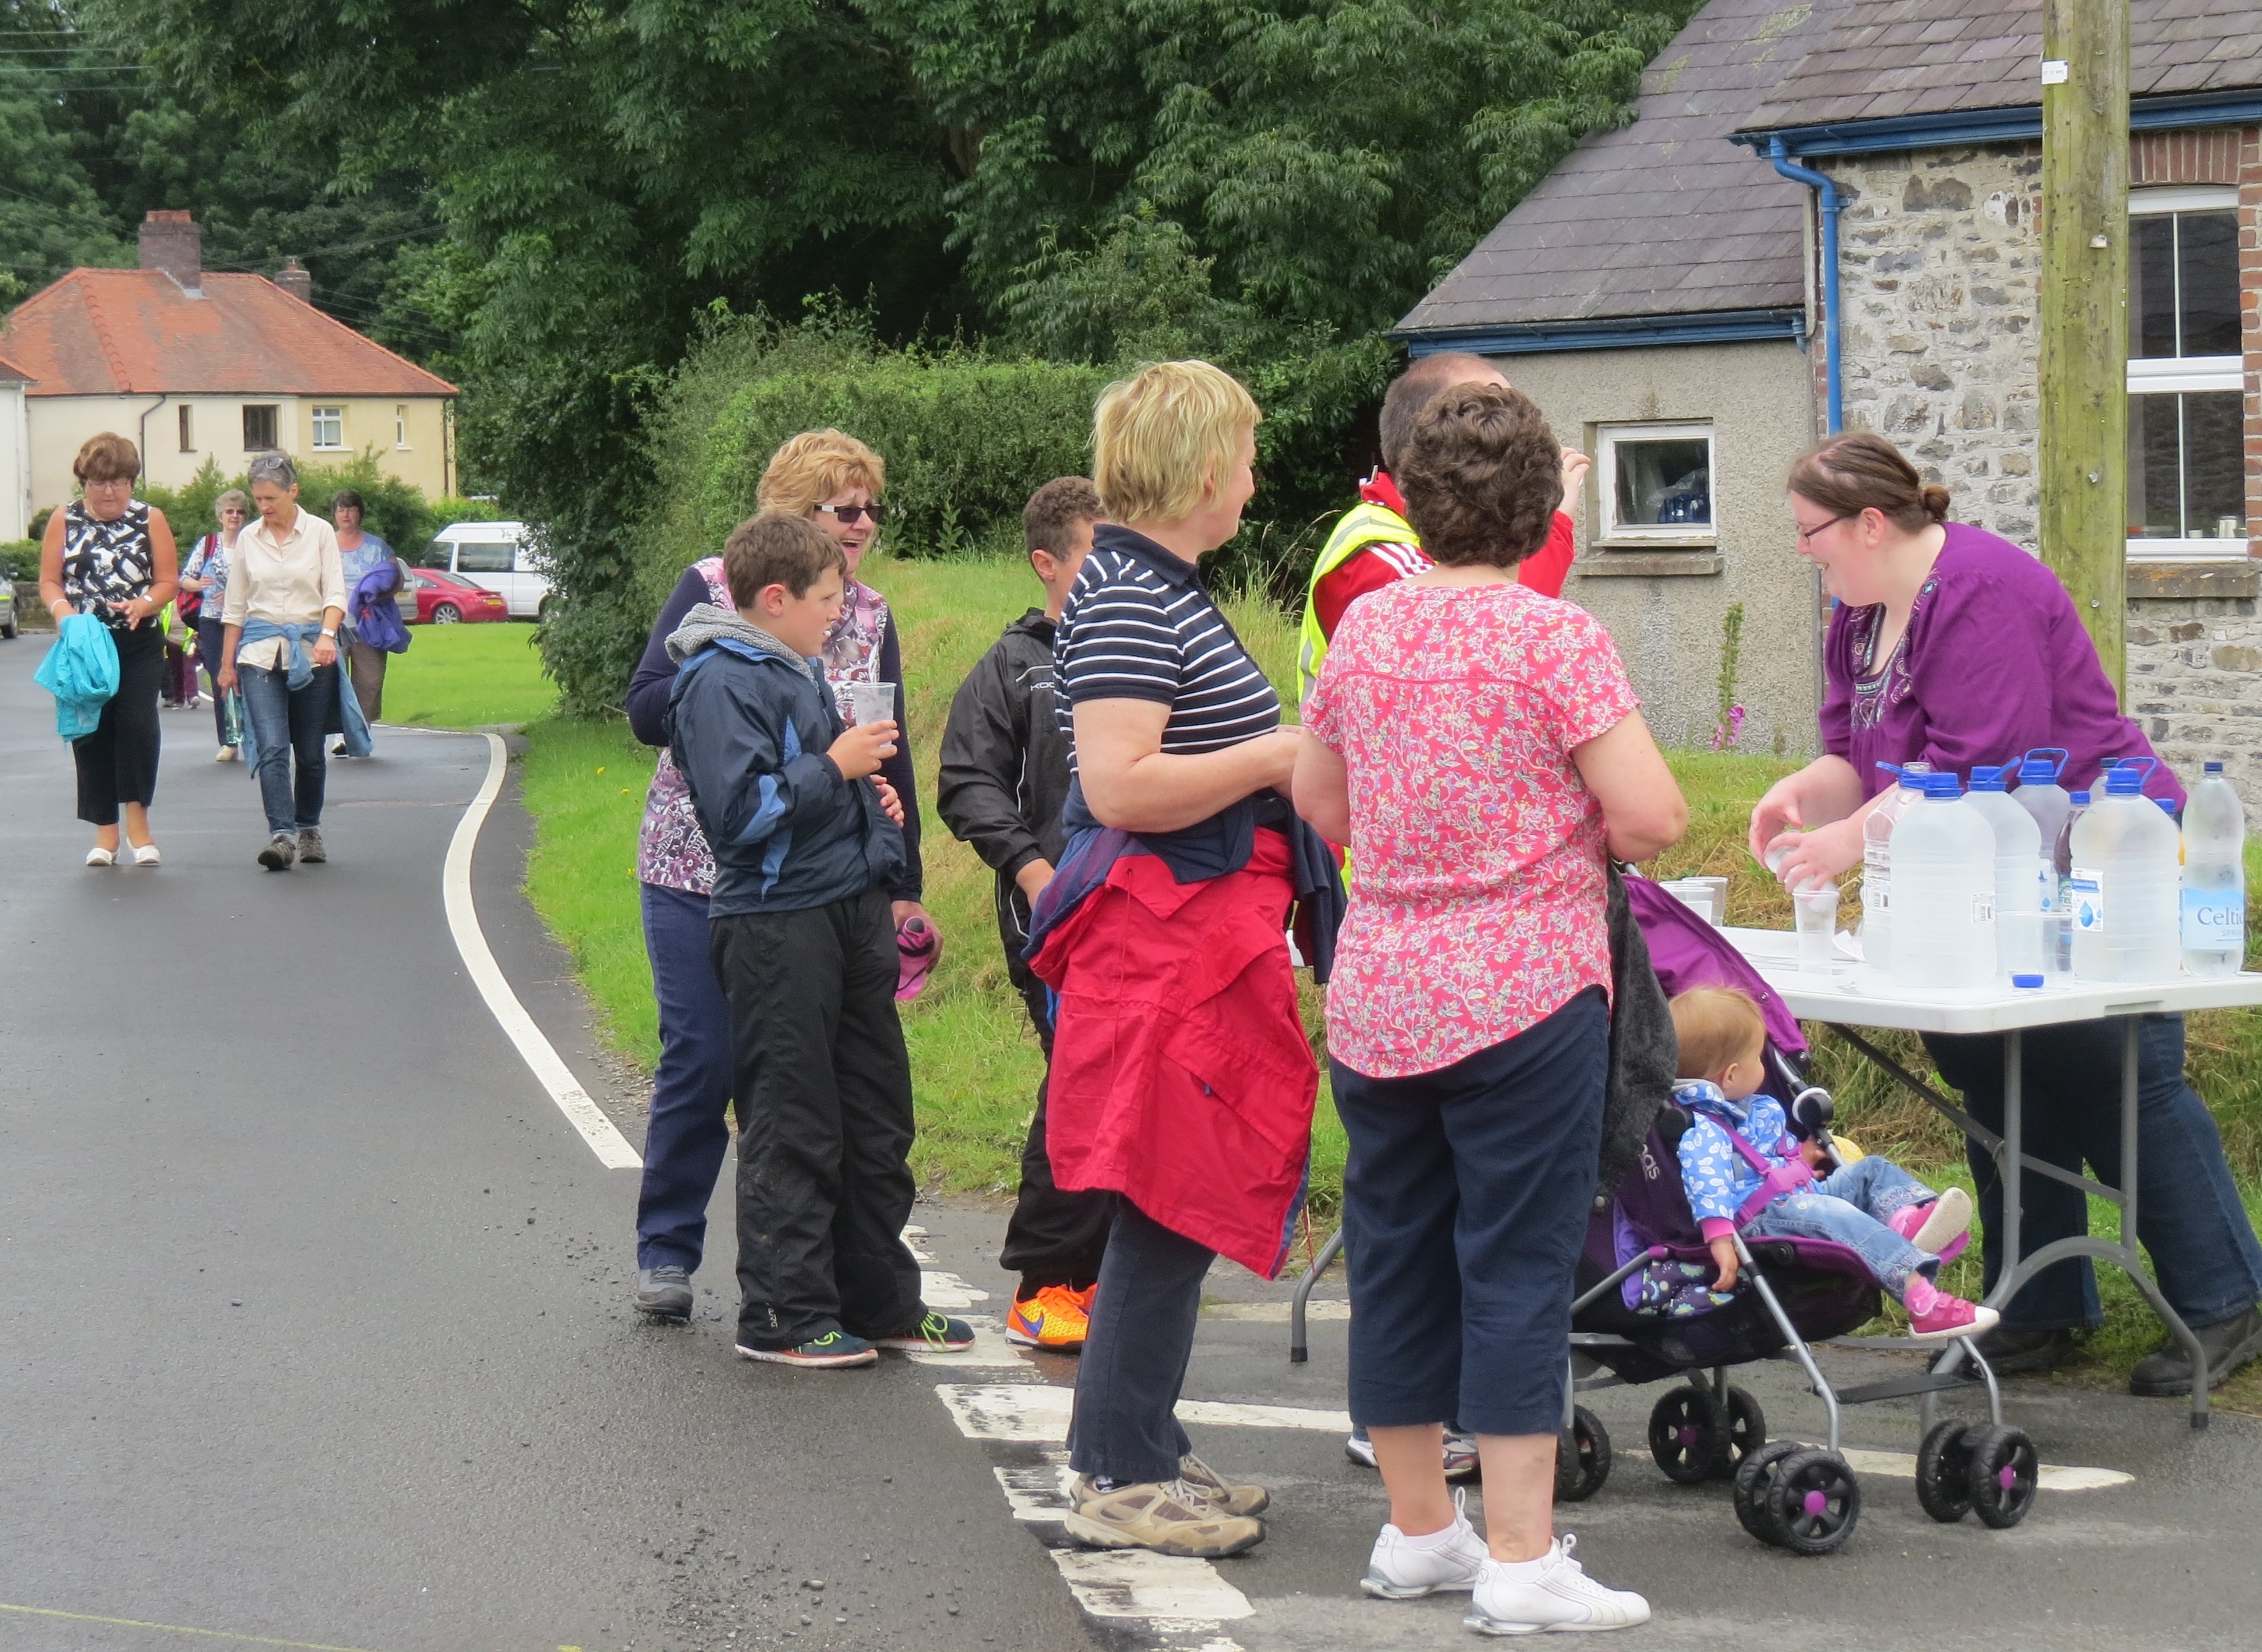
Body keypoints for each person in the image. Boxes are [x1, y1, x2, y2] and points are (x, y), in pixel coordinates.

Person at [1751, 431, 2262, 1395]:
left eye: (1808, 531)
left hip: (2098, 848)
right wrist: (1798, 798)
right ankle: (2039, 1305)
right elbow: (1853, 761)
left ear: (1867, 523)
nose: (1802, 551)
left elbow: (1976, 761)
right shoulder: (1857, 620)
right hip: (1975, 874)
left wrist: (1849, 840)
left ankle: (2221, 1297)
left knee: (2113, 1075)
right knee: (1992, 1076)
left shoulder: (1979, 590)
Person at [1292, 382, 1680, 1632]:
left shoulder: (1368, 635)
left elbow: (1321, 803)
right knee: (1514, 1264)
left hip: (1381, 992)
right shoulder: (1550, 640)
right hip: (1521, 988)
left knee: (1397, 1253)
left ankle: (1420, 1535)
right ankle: (1520, 1559)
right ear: (1533, 507)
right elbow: (1653, 816)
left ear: (1412, 494)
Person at [1030, 360, 1331, 1560]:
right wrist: (1269, 760)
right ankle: (1113, 1469)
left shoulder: (1148, 586)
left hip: (1197, 939)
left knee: (1182, 1191)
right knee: (1165, 1195)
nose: (1255, 480)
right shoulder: (1126, 597)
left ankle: (1142, 1444)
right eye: (1248, 458)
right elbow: (1116, 785)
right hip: (1165, 945)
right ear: (1203, 469)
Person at [620, 428, 933, 1321]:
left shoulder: (866, 613)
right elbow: (645, 706)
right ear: (794, 513)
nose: (864, 521)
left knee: (812, 1077)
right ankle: (667, 1250)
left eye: (871, 505)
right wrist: (750, 700)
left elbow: (888, 751)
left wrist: (901, 879)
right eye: (845, 507)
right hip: (698, 859)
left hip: (823, 876)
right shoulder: (713, 588)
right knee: (706, 1055)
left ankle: (826, 1275)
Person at [664, 509, 972, 1368]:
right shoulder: (722, 680)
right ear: (774, 598)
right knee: (793, 1120)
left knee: (876, 1116)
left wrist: (872, 818)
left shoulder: (792, 668)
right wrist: (831, 770)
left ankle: (878, 1301)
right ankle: (782, 1313)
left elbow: (808, 797)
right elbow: (740, 816)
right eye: (828, 596)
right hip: (774, 926)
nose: (840, 611)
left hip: (844, 914)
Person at [937, 476, 1114, 1352]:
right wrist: (1038, 874)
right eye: (1095, 551)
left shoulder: (1140, 644)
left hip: (1143, 916)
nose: (1114, 569)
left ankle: (1108, 1274)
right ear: (1047, 562)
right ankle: (1047, 1284)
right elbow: (964, 785)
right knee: (1078, 1086)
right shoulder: (1011, 667)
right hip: (1054, 924)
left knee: (1131, 1091)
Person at [1668, 987, 1994, 1337]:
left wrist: (1799, 1159)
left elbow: (1763, 1159)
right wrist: (1720, 1239)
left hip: (1797, 1195)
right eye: (1758, 1059)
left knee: (1870, 1170)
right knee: (1833, 1214)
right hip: (1762, 1219)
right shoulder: (1705, 1129)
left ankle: (1907, 1223)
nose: (1764, 1066)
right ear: (1731, 1076)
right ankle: (1923, 1302)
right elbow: (1708, 1183)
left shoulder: (1747, 1110)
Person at [1297, 351, 1587, 703]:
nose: (1514, 431)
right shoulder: (1381, 554)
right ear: (1433, 436)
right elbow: (1497, 634)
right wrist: (1554, 522)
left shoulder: (1396, 529)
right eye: (1485, 416)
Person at [217, 453, 370, 870]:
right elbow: (234, 608)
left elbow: (336, 595)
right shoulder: (249, 538)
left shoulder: (320, 533)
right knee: (270, 747)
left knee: (310, 751)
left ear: (293, 492)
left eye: (271, 498)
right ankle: (281, 835)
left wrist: (325, 636)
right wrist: (227, 666)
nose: (264, 506)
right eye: (258, 499)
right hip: (259, 654)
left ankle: (309, 827)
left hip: (310, 652)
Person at [37, 433, 180, 867]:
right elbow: (49, 581)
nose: (109, 491)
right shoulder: (64, 519)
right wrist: (63, 614)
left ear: (132, 482)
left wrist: (146, 602)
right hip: (85, 645)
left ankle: (140, 827)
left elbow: (169, 580)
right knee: (93, 733)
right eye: (98, 482)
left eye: (118, 481)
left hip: (137, 642)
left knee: (137, 726)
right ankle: (106, 834)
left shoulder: (150, 518)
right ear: (84, 483)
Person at [333, 488, 406, 745]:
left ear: (360, 514)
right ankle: (340, 734)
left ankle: (359, 732)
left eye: (351, 509)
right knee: (333, 681)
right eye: (341, 509)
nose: (346, 514)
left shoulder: (377, 548)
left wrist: (380, 596)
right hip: (332, 625)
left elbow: (397, 579)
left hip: (368, 625)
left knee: (369, 681)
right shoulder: (325, 544)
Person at [180, 490, 247, 761]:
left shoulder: (251, 544)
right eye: (229, 511)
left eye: (240, 512)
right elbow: (185, 578)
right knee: (222, 676)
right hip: (212, 620)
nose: (234, 516)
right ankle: (229, 741)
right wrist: (200, 586)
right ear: (220, 516)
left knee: (249, 676)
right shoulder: (208, 544)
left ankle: (252, 734)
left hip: (245, 620)